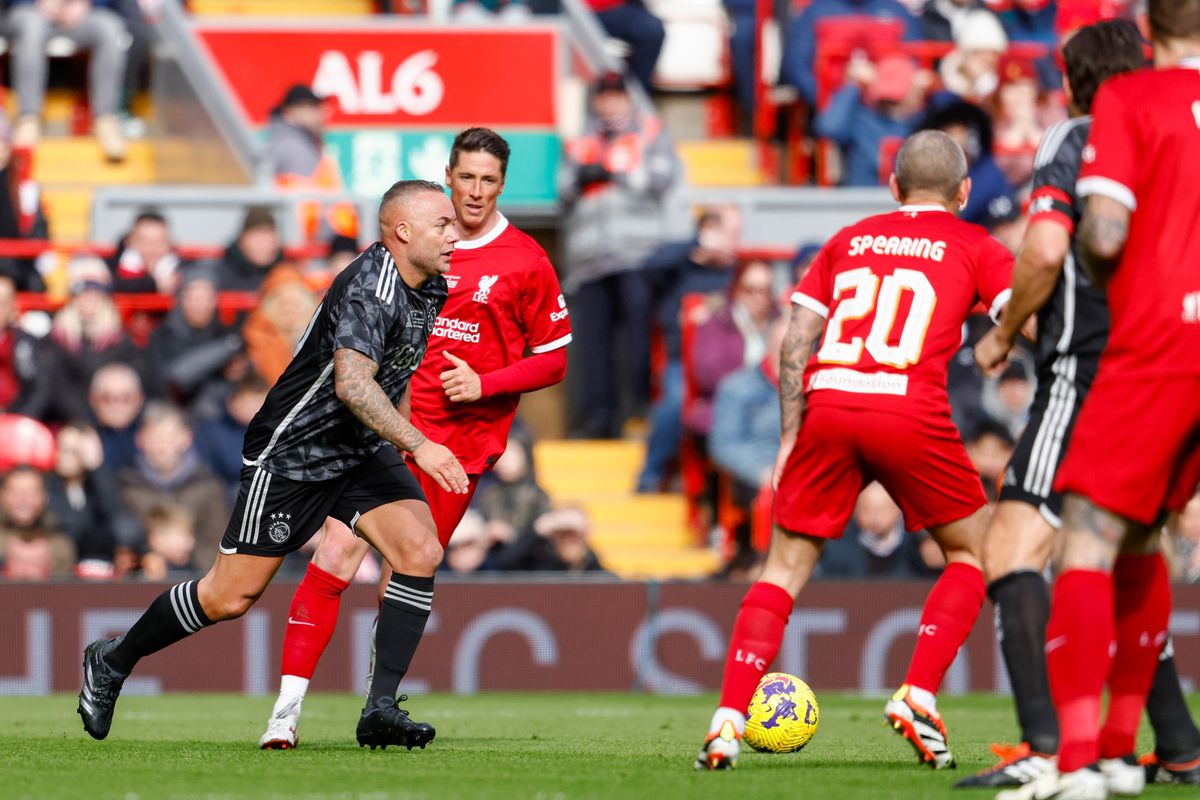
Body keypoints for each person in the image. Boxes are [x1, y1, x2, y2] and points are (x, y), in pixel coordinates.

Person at [76, 179, 467, 752]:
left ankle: (381, 708)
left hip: (357, 451)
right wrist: (423, 444)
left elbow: (394, 372)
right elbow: (354, 385)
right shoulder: (370, 288)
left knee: (420, 550)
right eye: (443, 224)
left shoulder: (431, 287)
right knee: (229, 598)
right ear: (403, 232)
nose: (454, 234)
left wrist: (402, 441)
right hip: (293, 454)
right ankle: (113, 658)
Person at [695, 130, 1014, 772]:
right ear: (965, 192)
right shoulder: (977, 243)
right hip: (910, 406)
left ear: (893, 189)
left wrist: (791, 434)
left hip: (830, 404)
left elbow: (795, 343)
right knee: (977, 552)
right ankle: (920, 692)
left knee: (782, 569)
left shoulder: (848, 240)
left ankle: (727, 720)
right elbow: (1026, 318)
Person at [257, 129, 571, 749]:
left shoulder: (526, 260)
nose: (476, 192)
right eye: (467, 178)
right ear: (447, 177)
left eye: (489, 180)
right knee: (335, 557)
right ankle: (285, 713)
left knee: (409, 566)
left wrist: (487, 383)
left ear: (502, 185)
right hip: (385, 434)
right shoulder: (418, 243)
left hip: (462, 447)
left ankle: (379, 706)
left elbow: (554, 359)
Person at [967, 19, 1200, 793]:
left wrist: (1002, 333)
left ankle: (1058, 750)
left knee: (1017, 551)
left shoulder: (1080, 136)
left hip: (1104, 368)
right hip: (1176, 360)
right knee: (1136, 552)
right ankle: (1173, 741)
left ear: (1072, 80)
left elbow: (1047, 248)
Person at [561, 71, 678, 438]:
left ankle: (638, 412)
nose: (610, 102)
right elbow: (561, 189)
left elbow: (662, 178)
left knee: (638, 343)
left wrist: (611, 173)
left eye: (617, 95)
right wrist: (581, 178)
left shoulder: (649, 132)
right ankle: (600, 422)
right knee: (593, 348)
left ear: (627, 98)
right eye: (604, 96)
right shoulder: (579, 140)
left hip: (636, 256)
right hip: (590, 261)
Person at [6, 0, 129, 161]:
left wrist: (84, 4)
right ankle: (28, 118)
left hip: (82, 16)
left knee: (110, 27)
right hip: (32, 12)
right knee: (31, 26)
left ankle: (105, 118)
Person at [117, 402, 230, 574]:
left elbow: (219, 542)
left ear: (186, 439)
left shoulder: (208, 486)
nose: (161, 446)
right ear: (140, 440)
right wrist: (149, 551)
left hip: (197, 583)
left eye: (169, 437)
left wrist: (185, 554)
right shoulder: (124, 485)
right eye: (154, 438)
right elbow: (120, 537)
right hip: (141, 581)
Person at [814, 53, 933, 187]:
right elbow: (828, 128)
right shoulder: (862, 120)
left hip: (907, 202)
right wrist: (853, 85)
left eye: (896, 99)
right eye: (886, 99)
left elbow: (950, 120)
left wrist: (929, 93)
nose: (891, 104)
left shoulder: (922, 121)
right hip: (864, 200)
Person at [584, 0, 665, 92]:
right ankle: (632, 92)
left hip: (623, 6)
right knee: (651, 30)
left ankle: (635, 93)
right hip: (593, 10)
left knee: (652, 30)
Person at [107, 211, 183, 295]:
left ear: (170, 243)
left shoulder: (183, 268)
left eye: (159, 241)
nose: (152, 248)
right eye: (144, 242)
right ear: (129, 241)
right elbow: (111, 285)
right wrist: (154, 284)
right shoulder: (110, 268)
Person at [218, 207, 288, 293]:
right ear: (242, 240)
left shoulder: (286, 269)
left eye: (268, 238)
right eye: (257, 238)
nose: (264, 245)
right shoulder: (224, 271)